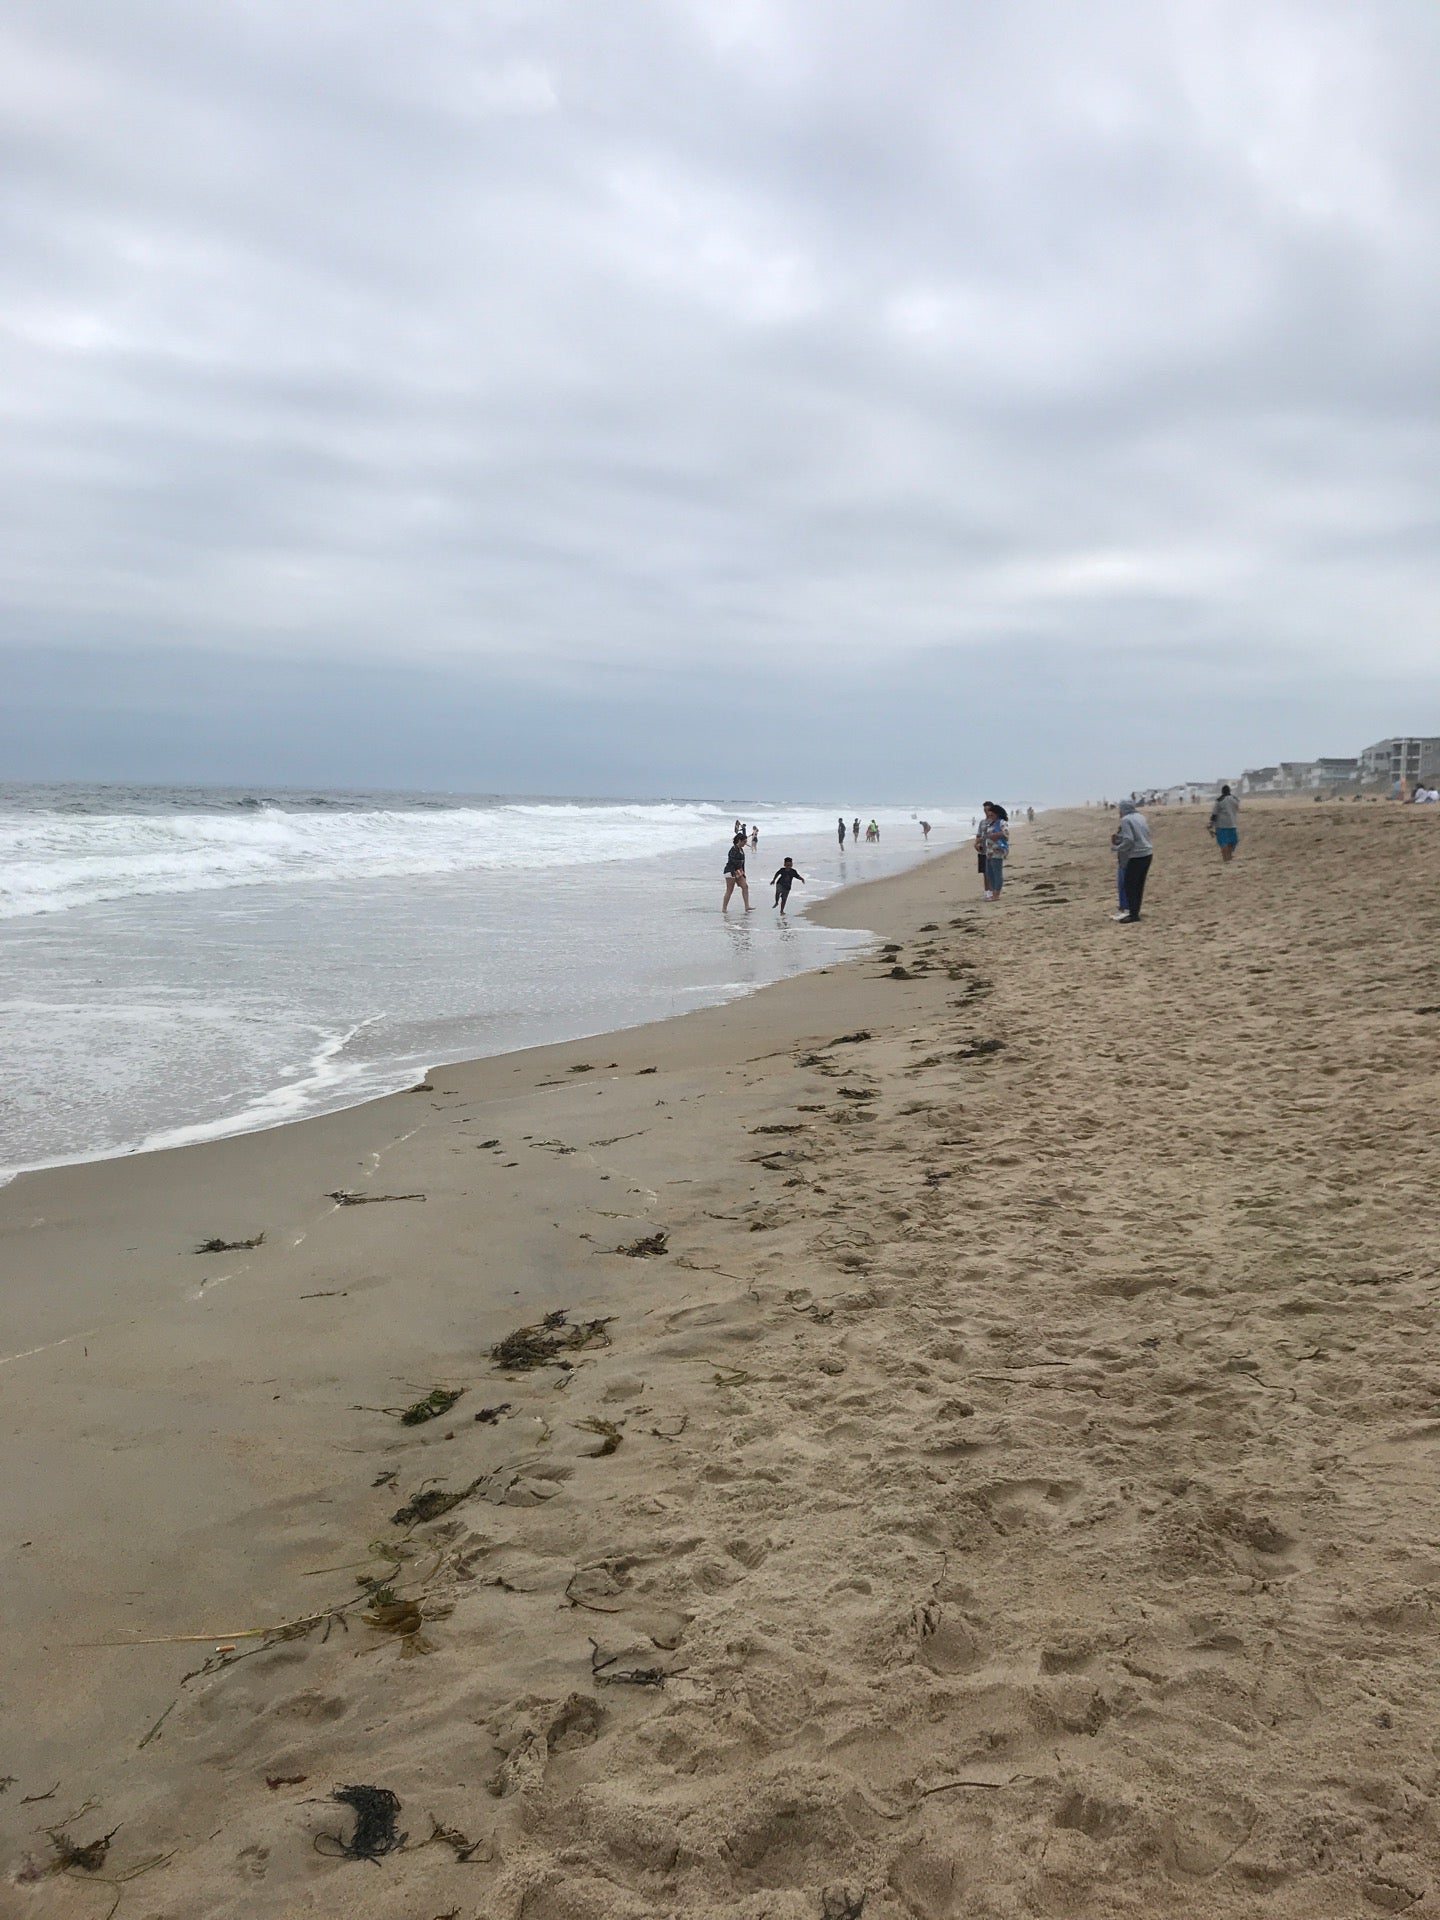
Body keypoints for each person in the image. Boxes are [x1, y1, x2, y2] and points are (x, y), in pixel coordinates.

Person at [1112, 800, 1152, 922]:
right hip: (1148, 853)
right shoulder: (1141, 817)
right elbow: (1146, 833)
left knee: (1130, 885)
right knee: (1139, 885)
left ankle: (1133, 914)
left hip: (1136, 855)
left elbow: (1129, 840)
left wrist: (1117, 848)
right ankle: (1136, 911)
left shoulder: (1126, 820)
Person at [977, 802, 1009, 899]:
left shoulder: (1001, 823)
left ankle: (996, 893)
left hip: (998, 850)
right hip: (988, 851)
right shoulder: (990, 823)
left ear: (997, 814)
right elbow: (983, 835)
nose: (990, 816)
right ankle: (992, 891)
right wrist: (978, 842)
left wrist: (994, 835)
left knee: (997, 873)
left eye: (992, 815)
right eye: (989, 815)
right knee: (989, 873)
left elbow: (1006, 834)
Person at [1208, 785, 1240, 863]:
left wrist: (1211, 824)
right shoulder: (1235, 800)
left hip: (1221, 825)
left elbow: (1214, 814)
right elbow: (1237, 808)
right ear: (1229, 791)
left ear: (1222, 791)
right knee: (1232, 842)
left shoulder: (1219, 800)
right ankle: (1229, 857)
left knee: (1223, 842)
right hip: (1232, 824)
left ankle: (1225, 859)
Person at [722, 833, 751, 912]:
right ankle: (724, 909)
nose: (745, 843)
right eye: (744, 842)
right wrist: (735, 873)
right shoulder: (733, 849)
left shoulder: (741, 850)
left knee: (745, 886)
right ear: (739, 841)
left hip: (738, 871)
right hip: (730, 871)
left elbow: (742, 863)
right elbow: (732, 861)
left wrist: (743, 874)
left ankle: (747, 906)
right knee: (729, 890)